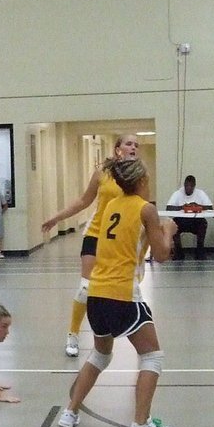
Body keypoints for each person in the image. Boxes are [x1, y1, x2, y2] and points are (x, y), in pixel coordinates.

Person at [57, 158, 177, 427]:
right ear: (141, 182)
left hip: (96, 293)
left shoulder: (111, 206)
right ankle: (140, 426)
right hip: (122, 294)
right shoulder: (145, 209)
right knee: (152, 357)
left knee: (100, 354)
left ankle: (70, 412)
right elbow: (161, 255)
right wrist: (167, 232)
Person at [41, 134, 141, 358]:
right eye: (128, 143)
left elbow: (142, 208)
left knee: (122, 288)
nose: (133, 147)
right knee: (86, 288)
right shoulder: (102, 174)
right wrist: (57, 218)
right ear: (118, 149)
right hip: (96, 234)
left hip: (119, 241)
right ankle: (73, 335)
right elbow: (83, 201)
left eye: (137, 145)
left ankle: (125, 333)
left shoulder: (139, 179)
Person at [165, 174, 212, 260]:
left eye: (191, 186)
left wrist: (198, 206)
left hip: (196, 221)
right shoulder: (178, 193)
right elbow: (168, 208)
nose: (188, 188)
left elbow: (210, 207)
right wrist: (182, 207)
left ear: (194, 186)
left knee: (203, 223)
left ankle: (199, 250)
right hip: (181, 221)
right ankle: (178, 251)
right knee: (173, 223)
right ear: (184, 185)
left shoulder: (200, 193)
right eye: (187, 185)